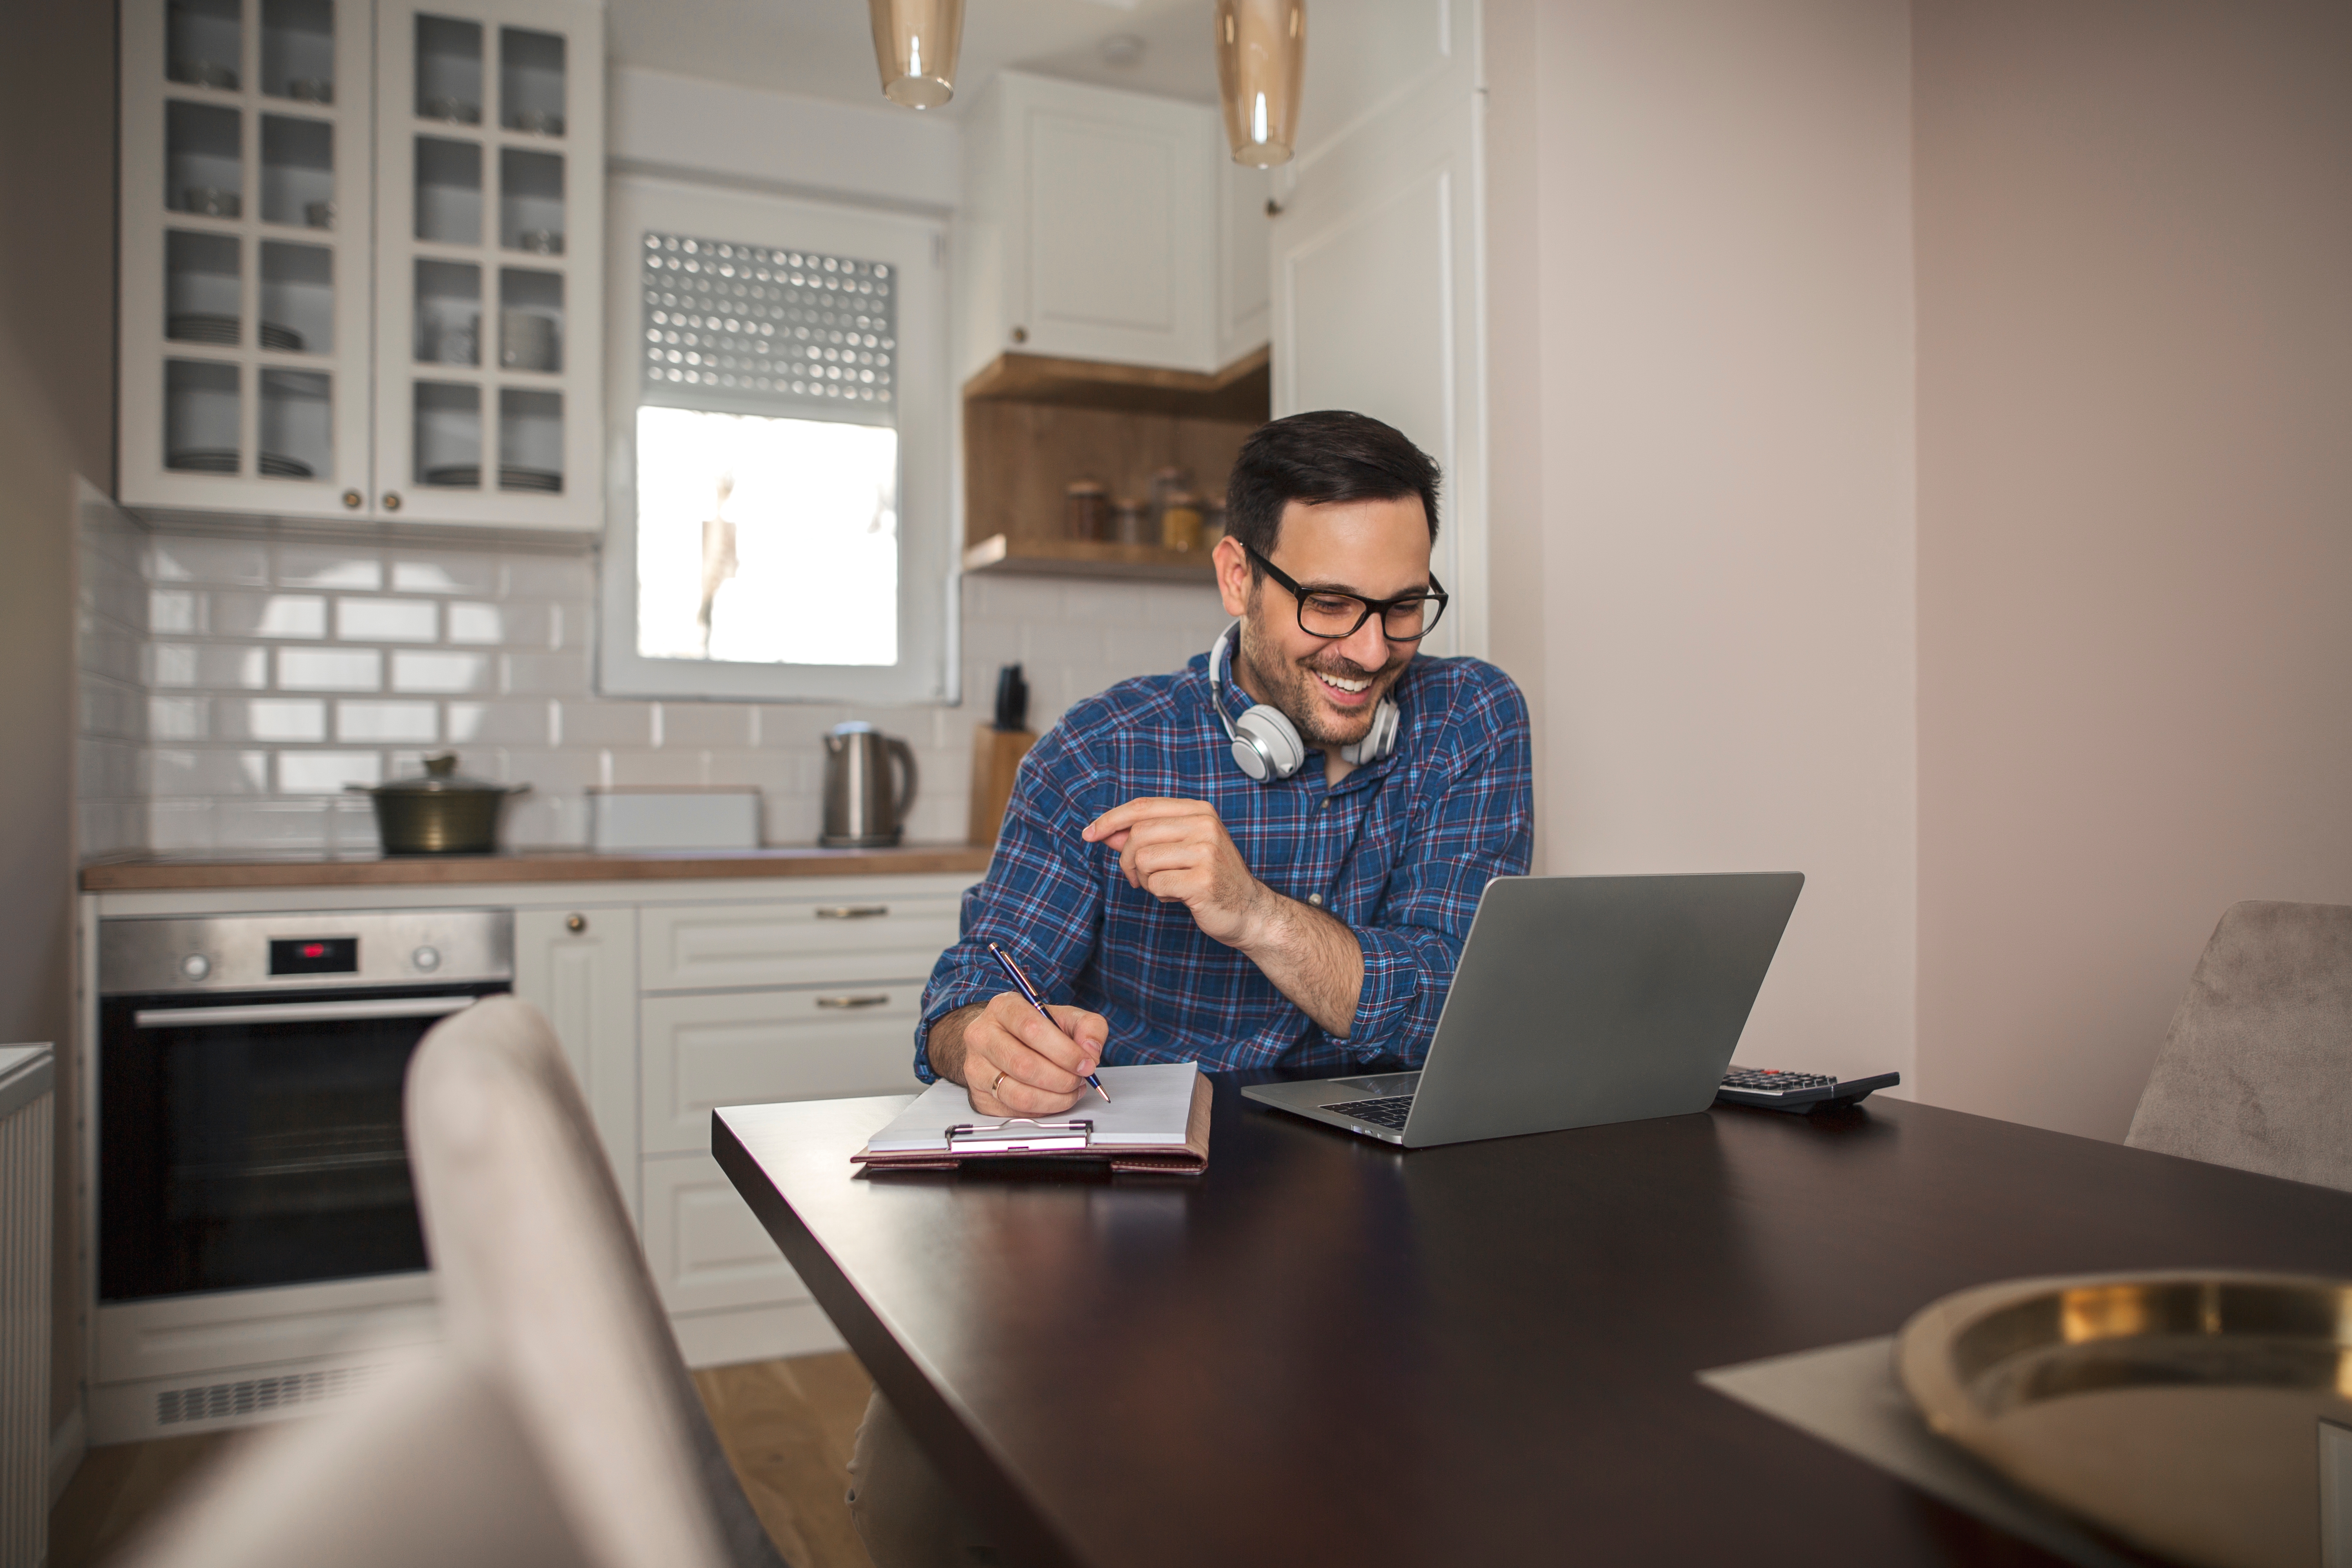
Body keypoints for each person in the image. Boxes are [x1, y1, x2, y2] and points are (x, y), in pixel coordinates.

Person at [845, 410, 1533, 1568]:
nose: (1369, 651)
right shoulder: (1101, 750)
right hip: (1139, 1247)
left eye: (1402, 606)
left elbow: (1449, 1003)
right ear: (1236, 575)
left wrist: (1253, 911)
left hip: (1393, 1244)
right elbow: (967, 992)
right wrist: (986, 1043)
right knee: (965, 1514)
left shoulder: (1469, 721)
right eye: (1329, 605)